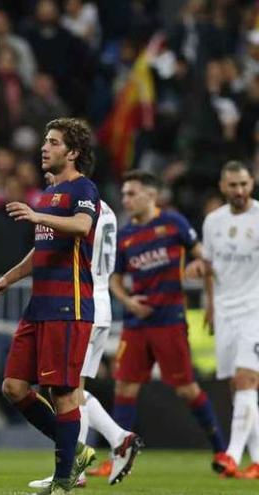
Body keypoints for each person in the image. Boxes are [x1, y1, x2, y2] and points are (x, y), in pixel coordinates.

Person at [0, 118, 100, 495]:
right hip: (40, 305)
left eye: (53, 142)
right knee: (14, 387)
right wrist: (8, 278)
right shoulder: (49, 193)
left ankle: (65, 479)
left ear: (73, 152)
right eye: (44, 141)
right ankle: (77, 450)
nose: (44, 148)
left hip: (69, 304)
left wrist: (37, 216)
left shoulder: (83, 188)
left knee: (62, 392)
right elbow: (44, 247)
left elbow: (82, 226)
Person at [109, 170, 226, 474]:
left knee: (186, 388)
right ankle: (120, 458)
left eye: (131, 193)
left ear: (151, 194)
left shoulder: (172, 223)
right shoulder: (124, 236)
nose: (126, 199)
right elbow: (115, 280)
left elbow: (203, 259)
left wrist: (201, 272)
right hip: (137, 320)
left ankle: (221, 449)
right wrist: (129, 301)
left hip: (169, 318)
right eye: (123, 194)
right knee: (125, 386)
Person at [31, 177, 141, 489]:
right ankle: (98, 453)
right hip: (101, 303)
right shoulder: (107, 210)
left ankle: (104, 448)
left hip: (81, 302)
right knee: (74, 389)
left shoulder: (79, 209)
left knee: (65, 390)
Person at [202, 161, 259, 478]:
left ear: (251, 184)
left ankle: (231, 455)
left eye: (244, 184)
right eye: (233, 185)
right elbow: (209, 266)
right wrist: (210, 305)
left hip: (255, 310)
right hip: (224, 311)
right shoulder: (213, 221)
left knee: (247, 379)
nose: (239, 191)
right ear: (223, 187)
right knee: (238, 390)